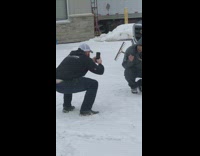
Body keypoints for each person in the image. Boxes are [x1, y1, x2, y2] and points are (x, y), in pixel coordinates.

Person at [56, 43, 104, 116]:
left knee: (69, 77)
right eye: (89, 52)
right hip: (66, 85)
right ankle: (85, 110)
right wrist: (100, 63)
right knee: (93, 84)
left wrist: (91, 61)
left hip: (58, 85)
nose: (89, 54)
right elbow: (100, 71)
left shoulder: (70, 56)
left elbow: (79, 62)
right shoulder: (85, 59)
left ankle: (67, 107)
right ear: (87, 52)